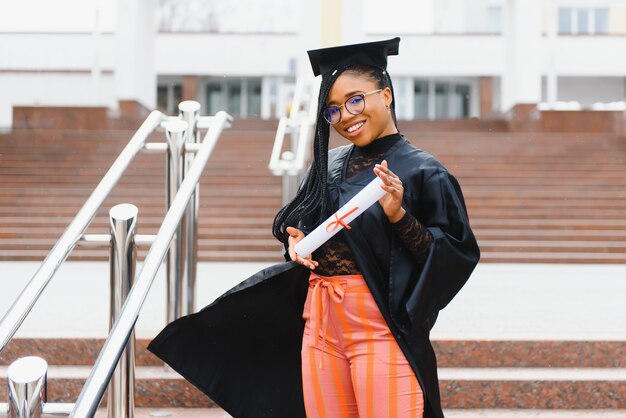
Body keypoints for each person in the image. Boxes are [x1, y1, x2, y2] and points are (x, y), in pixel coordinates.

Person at [148, 37, 480, 418]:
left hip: (379, 329)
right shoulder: (330, 165)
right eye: (333, 110)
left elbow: (455, 253)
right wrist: (299, 243)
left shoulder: (422, 170)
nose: (347, 117)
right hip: (320, 325)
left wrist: (399, 216)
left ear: (386, 95)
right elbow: (307, 226)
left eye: (356, 100)